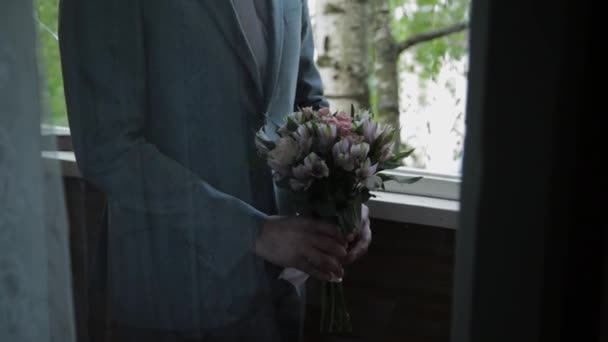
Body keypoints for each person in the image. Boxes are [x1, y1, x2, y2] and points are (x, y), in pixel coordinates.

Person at [59, 1, 372, 341]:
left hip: (282, 291)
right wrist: (254, 232)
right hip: (170, 299)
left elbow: (305, 104)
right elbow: (107, 149)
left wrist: (342, 198)